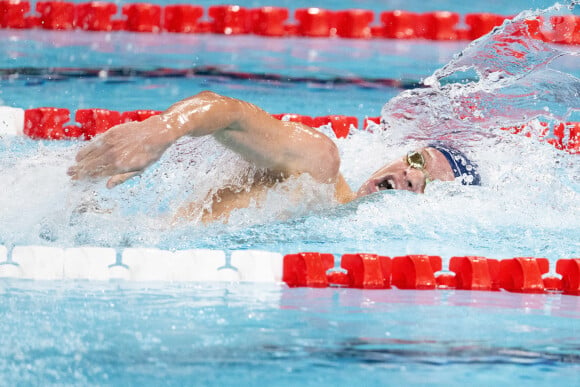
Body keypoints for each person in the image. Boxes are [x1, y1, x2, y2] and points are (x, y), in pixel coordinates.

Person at [68, 91, 480, 223]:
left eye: (425, 183)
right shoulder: (319, 167)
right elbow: (226, 112)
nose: (409, 175)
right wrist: (160, 130)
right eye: (416, 160)